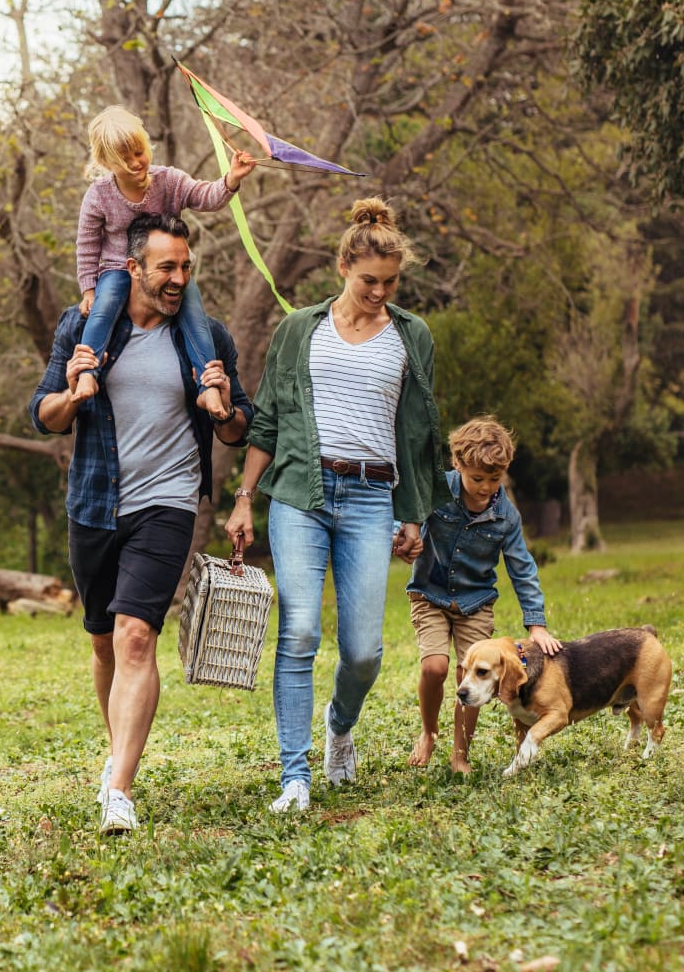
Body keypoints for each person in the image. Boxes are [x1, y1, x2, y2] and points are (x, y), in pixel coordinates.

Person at [29, 213, 253, 834]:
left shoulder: (205, 336)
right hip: (96, 504)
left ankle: (120, 790)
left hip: (169, 502)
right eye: (166, 267)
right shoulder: (84, 326)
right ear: (133, 268)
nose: (178, 277)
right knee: (103, 639)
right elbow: (42, 412)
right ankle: (116, 754)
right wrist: (74, 395)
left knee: (135, 637)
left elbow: (240, 426)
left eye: (186, 266)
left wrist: (226, 403)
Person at [224, 196, 449, 814]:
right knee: (298, 632)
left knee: (362, 651)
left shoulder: (412, 336)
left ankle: (340, 723)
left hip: (372, 496)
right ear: (343, 268)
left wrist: (415, 512)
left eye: (390, 282)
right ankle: (293, 776)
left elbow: (420, 431)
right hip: (301, 493)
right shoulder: (300, 329)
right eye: (368, 281)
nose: (379, 292)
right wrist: (245, 500)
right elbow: (266, 421)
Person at [405, 415, 562, 773]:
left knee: (472, 674)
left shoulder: (506, 515)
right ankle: (429, 732)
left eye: (495, 479)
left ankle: (460, 755)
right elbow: (407, 520)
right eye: (477, 478)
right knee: (435, 667)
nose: (486, 487)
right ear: (458, 465)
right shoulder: (436, 491)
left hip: (476, 604)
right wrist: (403, 539)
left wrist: (536, 624)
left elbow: (522, 568)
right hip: (430, 594)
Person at [71, 105, 256, 403]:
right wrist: (89, 289)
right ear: (105, 162)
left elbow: (205, 197)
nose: (135, 162)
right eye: (124, 158)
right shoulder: (99, 195)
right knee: (103, 309)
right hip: (118, 268)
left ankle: (207, 387)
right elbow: (87, 244)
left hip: (169, 269)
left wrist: (231, 179)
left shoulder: (168, 181)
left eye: (138, 152)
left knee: (194, 314)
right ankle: (87, 375)